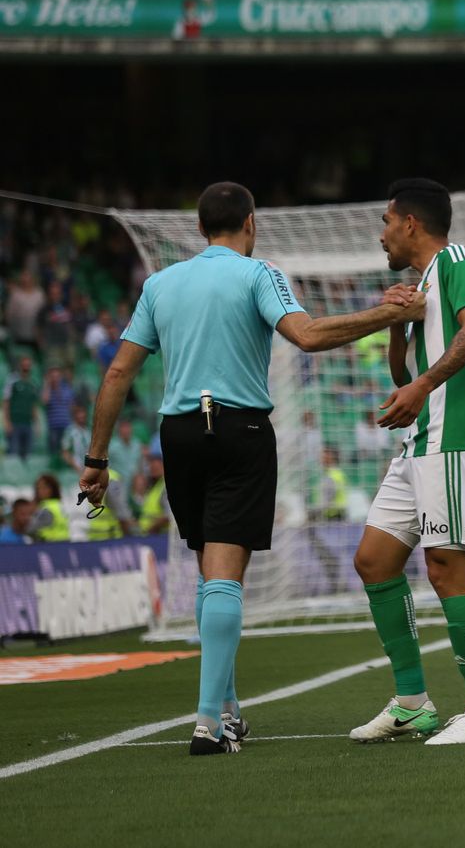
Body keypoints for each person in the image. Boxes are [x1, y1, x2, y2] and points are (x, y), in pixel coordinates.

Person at [77, 181, 422, 756]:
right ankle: (208, 723)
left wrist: (97, 460)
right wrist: (387, 311)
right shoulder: (259, 274)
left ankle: (229, 711)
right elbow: (307, 336)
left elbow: (116, 375)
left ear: (199, 228)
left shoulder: (160, 284)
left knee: (210, 571)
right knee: (224, 573)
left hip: (180, 432)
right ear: (251, 223)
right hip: (239, 429)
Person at [349, 179, 465, 747]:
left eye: (387, 221)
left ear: (411, 223)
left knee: (447, 568)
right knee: (374, 560)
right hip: (422, 440)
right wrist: (397, 320)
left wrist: (421, 386)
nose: (382, 234)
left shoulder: (457, 260)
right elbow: (402, 376)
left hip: (455, 435)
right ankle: (414, 702)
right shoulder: (422, 284)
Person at [3, 352, 41, 459]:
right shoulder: (12, 380)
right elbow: (6, 402)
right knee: (13, 455)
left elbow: (34, 406)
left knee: (28, 456)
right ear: (20, 365)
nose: (26, 367)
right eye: (24, 365)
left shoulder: (33, 384)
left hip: (28, 424)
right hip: (15, 423)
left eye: (28, 365)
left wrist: (37, 424)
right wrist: (7, 423)